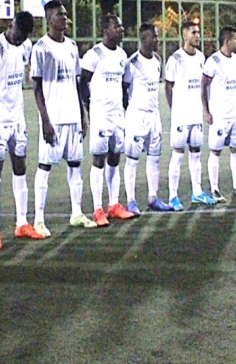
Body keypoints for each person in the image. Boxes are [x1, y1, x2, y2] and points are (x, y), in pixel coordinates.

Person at [0, 11, 44, 250]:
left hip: (18, 117)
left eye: (23, 35)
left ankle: (22, 223)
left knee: (20, 166)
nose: (19, 38)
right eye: (17, 32)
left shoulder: (26, 46)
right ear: (11, 25)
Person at [31, 0, 97, 233]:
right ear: (49, 19)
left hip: (72, 116)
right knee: (45, 166)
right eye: (61, 15)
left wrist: (83, 114)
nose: (65, 18)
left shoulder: (71, 46)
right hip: (54, 119)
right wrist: (46, 121)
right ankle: (38, 219)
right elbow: (36, 88)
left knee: (75, 165)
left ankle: (77, 213)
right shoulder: (41, 48)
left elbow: (77, 83)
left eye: (66, 14)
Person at [80, 14, 135, 227]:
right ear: (106, 31)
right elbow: (83, 83)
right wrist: (86, 110)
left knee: (115, 159)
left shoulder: (122, 55)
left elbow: (122, 85)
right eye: (117, 26)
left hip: (117, 115)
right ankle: (97, 209)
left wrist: (124, 108)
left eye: (121, 26)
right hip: (101, 115)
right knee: (99, 160)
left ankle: (113, 204)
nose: (121, 30)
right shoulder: (94, 54)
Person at [164, 21, 216, 210]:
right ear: (184, 36)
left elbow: (203, 87)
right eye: (194, 33)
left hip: (196, 115)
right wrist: (174, 109)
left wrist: (204, 109)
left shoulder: (201, 57)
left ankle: (197, 192)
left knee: (196, 153)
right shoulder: (175, 59)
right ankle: (172, 196)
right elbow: (168, 86)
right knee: (178, 154)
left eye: (198, 32)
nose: (197, 36)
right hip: (181, 116)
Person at [122, 24, 172, 213]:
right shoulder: (132, 62)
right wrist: (130, 111)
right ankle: (131, 201)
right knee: (132, 160)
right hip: (137, 116)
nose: (157, 40)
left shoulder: (158, 60)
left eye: (158, 37)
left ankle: (153, 198)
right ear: (144, 38)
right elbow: (123, 89)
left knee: (154, 158)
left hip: (154, 116)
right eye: (154, 37)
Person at [202, 26, 236, 201]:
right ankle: (215, 189)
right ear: (227, 41)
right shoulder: (213, 61)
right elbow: (203, 86)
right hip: (219, 115)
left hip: (234, 115)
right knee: (215, 151)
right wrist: (207, 111)